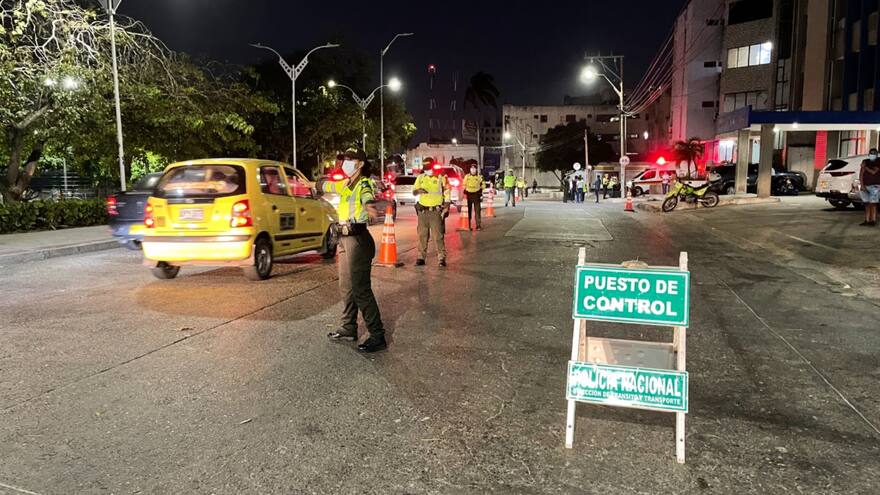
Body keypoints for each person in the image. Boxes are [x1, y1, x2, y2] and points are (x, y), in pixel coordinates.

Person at [320, 149, 386, 353]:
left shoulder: (363, 183)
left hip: (358, 240)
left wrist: (370, 206)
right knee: (346, 286)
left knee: (360, 289)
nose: (345, 163)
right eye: (344, 159)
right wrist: (310, 183)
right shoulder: (345, 184)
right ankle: (349, 327)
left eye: (350, 159)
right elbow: (325, 185)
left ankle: (377, 335)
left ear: (360, 164)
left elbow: (367, 196)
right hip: (343, 239)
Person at [413, 159, 451, 266]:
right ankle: (421, 257)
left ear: (433, 167)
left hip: (435, 211)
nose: (427, 171)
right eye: (425, 169)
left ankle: (441, 258)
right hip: (422, 211)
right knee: (422, 236)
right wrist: (418, 191)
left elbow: (447, 191)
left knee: (438, 236)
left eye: (429, 168)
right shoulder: (421, 177)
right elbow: (414, 191)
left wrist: (447, 206)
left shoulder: (441, 177)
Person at [859, 148, 880, 226]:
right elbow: (861, 174)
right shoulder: (865, 161)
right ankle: (867, 220)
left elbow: (874, 172)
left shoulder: (878, 161)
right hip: (865, 185)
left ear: (877, 154)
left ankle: (873, 220)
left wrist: (865, 167)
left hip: (875, 186)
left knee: (873, 204)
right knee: (866, 204)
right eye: (871, 153)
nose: (872, 155)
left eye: (874, 153)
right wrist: (862, 185)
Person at [463, 165, 485, 230]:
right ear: (470, 169)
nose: (473, 170)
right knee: (468, 211)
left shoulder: (479, 177)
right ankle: (468, 225)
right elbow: (463, 184)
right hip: (469, 195)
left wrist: (481, 189)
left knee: (477, 211)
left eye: (474, 168)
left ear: (476, 169)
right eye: (471, 168)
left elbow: (483, 184)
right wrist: (465, 190)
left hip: (476, 194)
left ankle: (478, 225)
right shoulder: (467, 176)